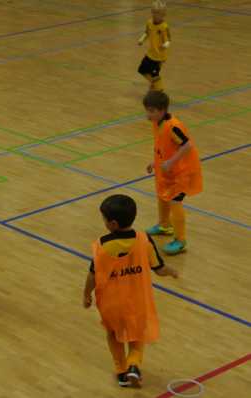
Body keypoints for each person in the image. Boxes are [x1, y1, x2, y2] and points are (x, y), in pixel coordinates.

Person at [83, 194, 178, 388]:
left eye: (104, 219)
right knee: (136, 336)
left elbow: (92, 275)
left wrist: (86, 294)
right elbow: (159, 269)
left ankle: (121, 371)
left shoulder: (102, 245)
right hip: (137, 302)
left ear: (113, 224)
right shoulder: (144, 240)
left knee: (113, 334)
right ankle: (133, 364)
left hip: (111, 304)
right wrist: (172, 272)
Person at [143, 90, 202, 255]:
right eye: (147, 110)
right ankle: (164, 225)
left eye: (151, 111)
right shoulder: (158, 123)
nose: (148, 114)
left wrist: (170, 162)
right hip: (168, 170)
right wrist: (155, 162)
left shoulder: (173, 126)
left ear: (162, 110)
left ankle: (181, 240)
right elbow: (164, 147)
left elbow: (187, 145)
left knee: (175, 202)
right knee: (163, 195)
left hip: (183, 171)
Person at [137, 1, 171, 91]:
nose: (155, 15)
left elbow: (168, 40)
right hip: (150, 54)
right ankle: (154, 84)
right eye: (154, 12)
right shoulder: (149, 22)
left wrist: (165, 45)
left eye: (158, 13)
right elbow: (146, 32)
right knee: (141, 70)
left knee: (155, 74)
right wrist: (142, 39)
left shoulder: (164, 27)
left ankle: (160, 89)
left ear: (163, 15)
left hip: (159, 56)